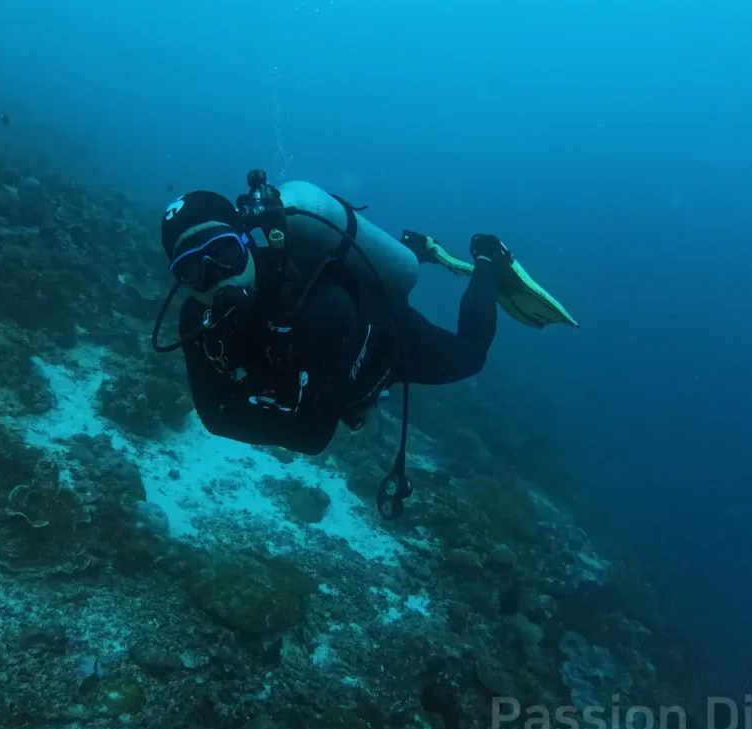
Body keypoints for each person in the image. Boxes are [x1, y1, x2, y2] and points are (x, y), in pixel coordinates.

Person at [152, 171, 578, 518]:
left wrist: (287, 405)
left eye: (224, 252)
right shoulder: (197, 318)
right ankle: (418, 253)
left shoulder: (320, 307)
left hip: (385, 338)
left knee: (470, 357)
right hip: (333, 367)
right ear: (182, 282)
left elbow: (310, 434)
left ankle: (487, 260)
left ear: (247, 242)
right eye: (192, 269)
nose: (217, 277)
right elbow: (216, 418)